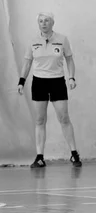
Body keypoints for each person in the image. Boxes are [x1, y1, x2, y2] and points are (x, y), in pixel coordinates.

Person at [17, 11, 81, 168]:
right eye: (40, 21)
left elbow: (69, 60)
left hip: (57, 82)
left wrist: (71, 78)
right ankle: (39, 157)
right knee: (40, 120)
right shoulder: (33, 41)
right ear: (38, 23)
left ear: (52, 23)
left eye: (46, 20)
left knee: (64, 118)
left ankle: (74, 154)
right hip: (39, 83)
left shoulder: (62, 40)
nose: (43, 23)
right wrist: (21, 81)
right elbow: (27, 63)